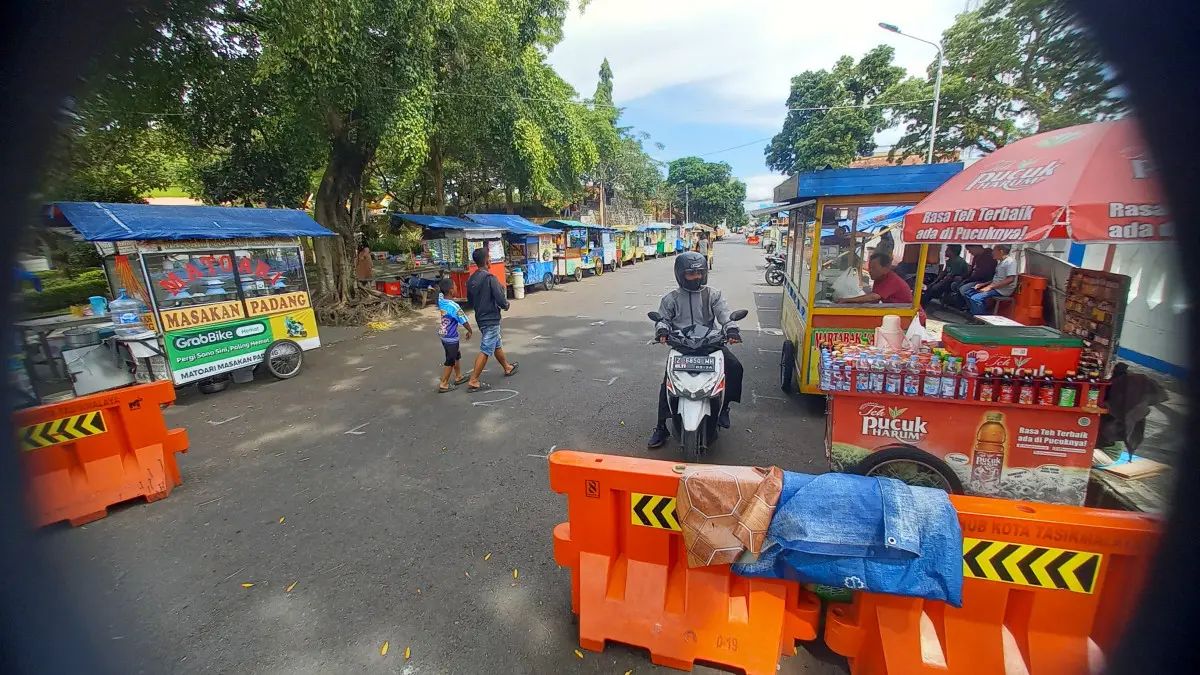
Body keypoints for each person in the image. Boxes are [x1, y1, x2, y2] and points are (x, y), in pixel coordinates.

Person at [647, 252, 742, 449]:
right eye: (691, 274)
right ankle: (661, 426)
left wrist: (731, 329)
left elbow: (725, 315)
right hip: (682, 346)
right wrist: (662, 330)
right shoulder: (670, 299)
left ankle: (724, 408)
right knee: (667, 383)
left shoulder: (712, 294)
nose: (696, 277)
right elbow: (662, 320)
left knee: (735, 367)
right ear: (680, 274)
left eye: (699, 272)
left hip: (710, 344)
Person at [465, 246, 517, 391]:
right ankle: (474, 380)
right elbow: (500, 298)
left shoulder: (472, 279)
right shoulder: (490, 278)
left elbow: (470, 301)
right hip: (491, 317)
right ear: (487, 260)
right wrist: (505, 305)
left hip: (480, 317)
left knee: (496, 343)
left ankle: (507, 367)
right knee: (486, 348)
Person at [435, 278, 472, 393]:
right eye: (455, 286)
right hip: (451, 337)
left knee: (456, 355)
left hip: (443, 335)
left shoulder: (441, 301)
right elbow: (464, 320)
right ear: (451, 291)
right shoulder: (454, 306)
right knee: (450, 360)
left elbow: (439, 294)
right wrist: (470, 330)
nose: (457, 288)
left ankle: (458, 376)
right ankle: (444, 383)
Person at [961, 244, 1018, 315]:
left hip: (1003, 290)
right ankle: (975, 315)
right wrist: (984, 284)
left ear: (1001, 251)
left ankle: (983, 319)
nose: (992, 253)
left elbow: (1010, 279)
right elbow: (996, 279)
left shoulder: (1011, 262)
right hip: (995, 287)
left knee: (975, 298)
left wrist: (990, 287)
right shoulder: (1001, 262)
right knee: (967, 293)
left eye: (994, 251)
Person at [949, 244, 997, 310]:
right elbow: (971, 270)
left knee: (963, 289)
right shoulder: (976, 257)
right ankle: (961, 304)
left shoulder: (988, 256)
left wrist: (967, 280)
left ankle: (971, 307)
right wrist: (963, 277)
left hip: (985, 281)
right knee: (954, 284)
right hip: (973, 279)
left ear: (975, 247)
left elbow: (981, 274)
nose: (969, 252)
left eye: (969, 250)